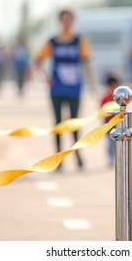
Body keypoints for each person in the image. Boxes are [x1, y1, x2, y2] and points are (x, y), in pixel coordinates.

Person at [35, 9, 96, 172]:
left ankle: (77, 157)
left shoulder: (79, 40)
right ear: (60, 22)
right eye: (64, 20)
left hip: (74, 88)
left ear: (73, 21)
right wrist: (45, 77)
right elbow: (38, 61)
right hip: (56, 88)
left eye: (69, 20)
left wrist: (92, 84)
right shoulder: (53, 42)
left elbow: (86, 62)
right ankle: (58, 159)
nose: (66, 23)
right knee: (58, 125)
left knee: (74, 123)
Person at [100, 72, 120, 167]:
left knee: (118, 143)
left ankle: (118, 158)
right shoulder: (105, 97)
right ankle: (110, 158)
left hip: (118, 123)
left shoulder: (120, 97)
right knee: (110, 143)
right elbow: (102, 110)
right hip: (108, 124)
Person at [11, 32, 30, 97]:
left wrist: (27, 64)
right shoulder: (16, 46)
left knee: (22, 77)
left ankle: (21, 89)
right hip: (17, 64)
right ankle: (19, 89)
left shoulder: (25, 46)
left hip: (23, 64)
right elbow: (14, 55)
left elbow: (27, 56)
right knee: (18, 77)